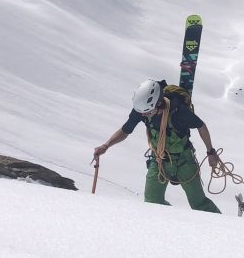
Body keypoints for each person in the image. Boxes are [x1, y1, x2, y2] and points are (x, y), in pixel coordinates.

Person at [94, 78, 221, 213]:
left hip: (184, 160)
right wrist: (106, 145)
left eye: (148, 111)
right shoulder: (142, 109)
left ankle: (223, 225)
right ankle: (170, 221)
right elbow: (125, 130)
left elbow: (201, 126)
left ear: (159, 104)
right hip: (159, 159)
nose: (143, 115)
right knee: (152, 201)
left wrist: (210, 152)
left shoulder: (178, 111)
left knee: (199, 203)